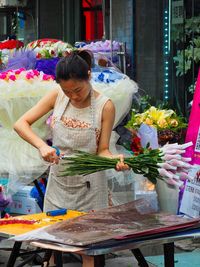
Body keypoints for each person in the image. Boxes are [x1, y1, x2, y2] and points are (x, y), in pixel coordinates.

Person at [14, 50, 128, 213]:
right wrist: (42, 146)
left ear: (88, 76)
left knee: (90, 235)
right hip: (58, 186)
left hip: (91, 190)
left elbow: (102, 150)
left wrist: (113, 161)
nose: (73, 96)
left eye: (78, 90)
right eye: (67, 91)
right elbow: (21, 124)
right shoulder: (56, 95)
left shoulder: (105, 106)